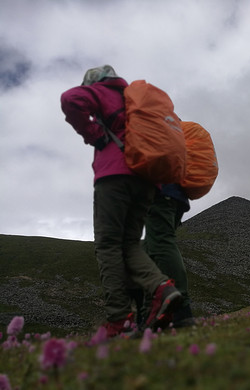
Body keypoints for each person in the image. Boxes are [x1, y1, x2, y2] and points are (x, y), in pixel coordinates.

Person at [60, 65, 182, 337]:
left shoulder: (103, 92)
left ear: (94, 81)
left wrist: (94, 135)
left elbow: (71, 99)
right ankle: (162, 288)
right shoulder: (134, 100)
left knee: (108, 245)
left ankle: (118, 319)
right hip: (147, 181)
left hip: (114, 176)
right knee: (129, 244)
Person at [144, 183, 195, 328]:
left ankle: (181, 310)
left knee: (161, 243)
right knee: (149, 248)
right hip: (175, 194)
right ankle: (149, 315)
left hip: (161, 191)